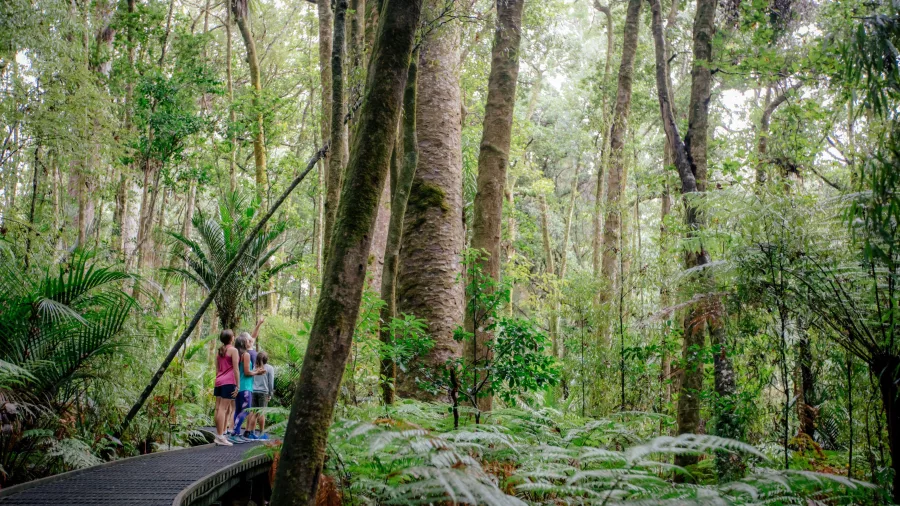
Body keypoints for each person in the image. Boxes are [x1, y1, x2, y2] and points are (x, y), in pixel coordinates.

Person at [230, 332, 265, 444]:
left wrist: (255, 371)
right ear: (244, 342)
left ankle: (235, 433)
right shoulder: (246, 355)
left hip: (240, 387)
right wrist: (257, 372)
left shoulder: (238, 355)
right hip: (246, 387)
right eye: (248, 340)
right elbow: (247, 372)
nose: (250, 342)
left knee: (239, 411)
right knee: (245, 411)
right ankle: (235, 432)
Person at [213, 329, 239, 446]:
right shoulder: (233, 350)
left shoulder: (220, 351)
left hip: (218, 381)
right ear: (231, 338)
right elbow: (236, 369)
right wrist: (238, 385)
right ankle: (220, 436)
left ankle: (218, 435)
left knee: (218, 408)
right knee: (223, 409)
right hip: (228, 382)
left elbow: (217, 369)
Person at [247, 351, 274, 440]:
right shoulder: (269, 368)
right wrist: (270, 393)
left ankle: (252, 432)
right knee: (262, 413)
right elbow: (271, 383)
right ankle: (262, 433)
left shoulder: (254, 367)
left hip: (254, 391)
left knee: (254, 412)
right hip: (263, 393)